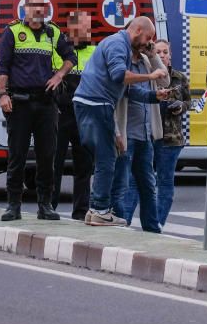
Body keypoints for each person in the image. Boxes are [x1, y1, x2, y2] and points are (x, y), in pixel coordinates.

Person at [73, 16, 168, 227]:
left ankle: (94, 209)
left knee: (105, 159)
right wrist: (151, 77)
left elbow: (127, 89)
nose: (149, 43)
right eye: (148, 37)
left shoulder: (121, 45)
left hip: (91, 103)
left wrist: (154, 96)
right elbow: (120, 76)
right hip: (97, 103)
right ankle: (100, 210)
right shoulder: (118, 44)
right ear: (137, 30)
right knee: (107, 160)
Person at [0, 0, 76, 221]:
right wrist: (3, 94)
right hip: (20, 103)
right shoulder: (13, 31)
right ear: (25, 8)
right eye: (34, 5)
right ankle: (13, 205)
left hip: (46, 104)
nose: (39, 10)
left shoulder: (53, 32)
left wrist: (59, 75)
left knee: (46, 156)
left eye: (43, 5)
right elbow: (2, 67)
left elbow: (71, 56)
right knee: (17, 156)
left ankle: (45, 206)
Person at [115, 41, 169, 233]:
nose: (148, 42)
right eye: (146, 38)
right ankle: (120, 224)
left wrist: (154, 56)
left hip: (145, 134)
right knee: (122, 185)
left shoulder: (147, 60)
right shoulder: (123, 62)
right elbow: (129, 91)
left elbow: (165, 81)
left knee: (148, 185)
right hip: (127, 132)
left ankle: (152, 228)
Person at [50, 10, 96, 220]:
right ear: (70, 30)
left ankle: (80, 210)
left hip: (84, 116)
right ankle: (50, 205)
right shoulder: (59, 52)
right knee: (54, 163)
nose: (82, 32)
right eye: (78, 29)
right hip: (61, 114)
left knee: (84, 165)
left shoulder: (96, 53)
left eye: (86, 28)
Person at [148, 40, 190, 227]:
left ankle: (158, 224)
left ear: (170, 55)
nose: (163, 55)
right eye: (159, 52)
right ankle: (141, 222)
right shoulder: (147, 75)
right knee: (141, 181)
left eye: (165, 52)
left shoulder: (180, 78)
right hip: (148, 136)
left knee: (165, 183)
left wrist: (181, 106)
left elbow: (189, 102)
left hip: (171, 139)